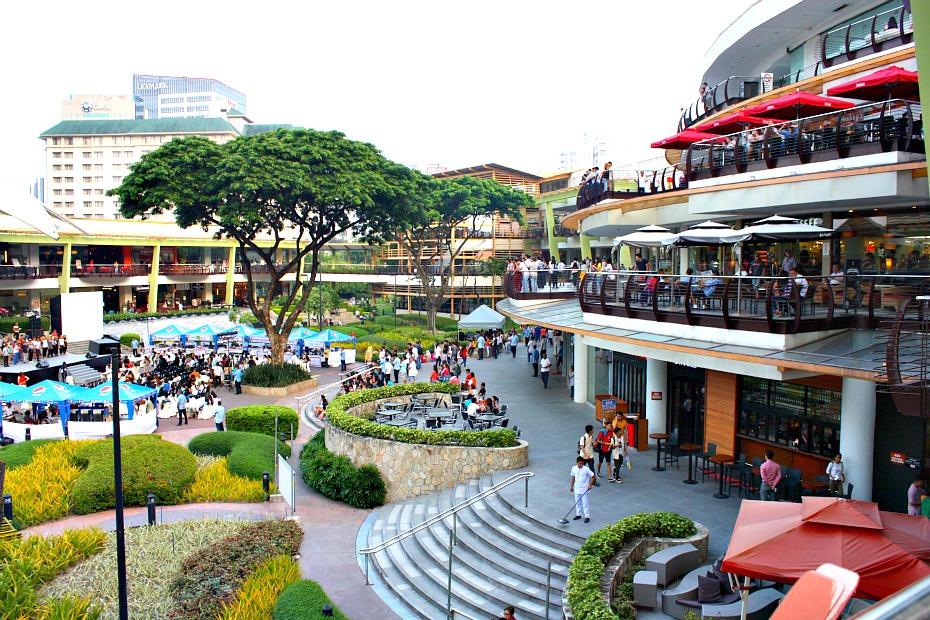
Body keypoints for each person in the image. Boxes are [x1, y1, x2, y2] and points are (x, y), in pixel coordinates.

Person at [569, 455, 595, 523]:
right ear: (577, 462)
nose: (581, 465)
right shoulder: (574, 468)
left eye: (582, 463)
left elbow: (593, 476)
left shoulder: (586, 469)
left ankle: (587, 516)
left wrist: (590, 485)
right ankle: (578, 514)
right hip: (577, 488)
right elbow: (573, 477)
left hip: (584, 489)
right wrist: (571, 486)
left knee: (585, 503)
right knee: (577, 502)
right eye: (580, 463)